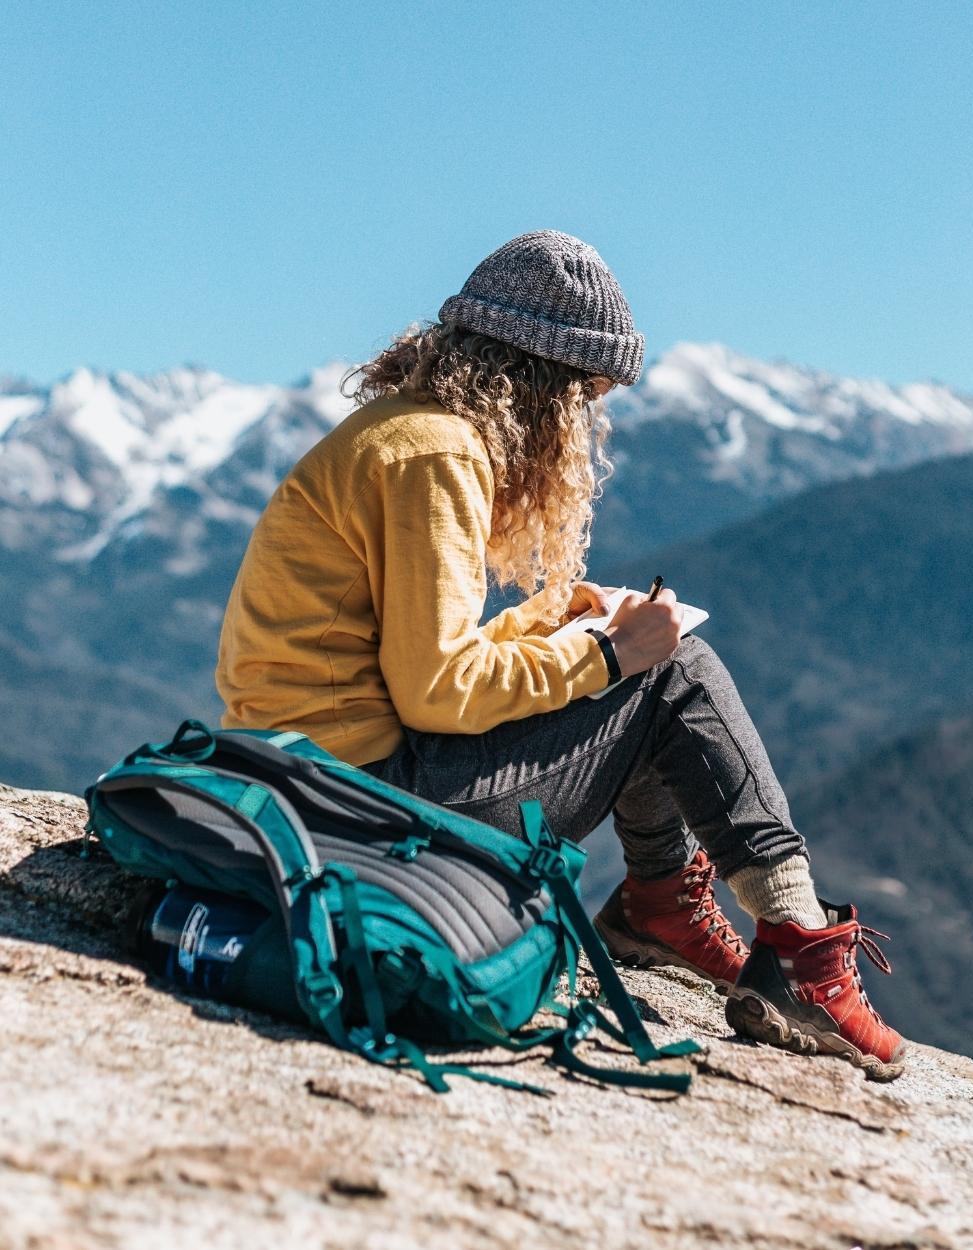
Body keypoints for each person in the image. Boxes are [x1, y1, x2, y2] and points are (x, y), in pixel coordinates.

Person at [216, 230, 905, 1081]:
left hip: (308, 781)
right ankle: (800, 951)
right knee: (674, 672)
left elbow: (398, 661)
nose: (584, 421)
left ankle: (662, 904)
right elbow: (436, 693)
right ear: (543, 382)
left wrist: (550, 625)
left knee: (651, 662)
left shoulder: (399, 433)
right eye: (585, 396)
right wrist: (609, 659)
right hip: (363, 804)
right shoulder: (438, 454)